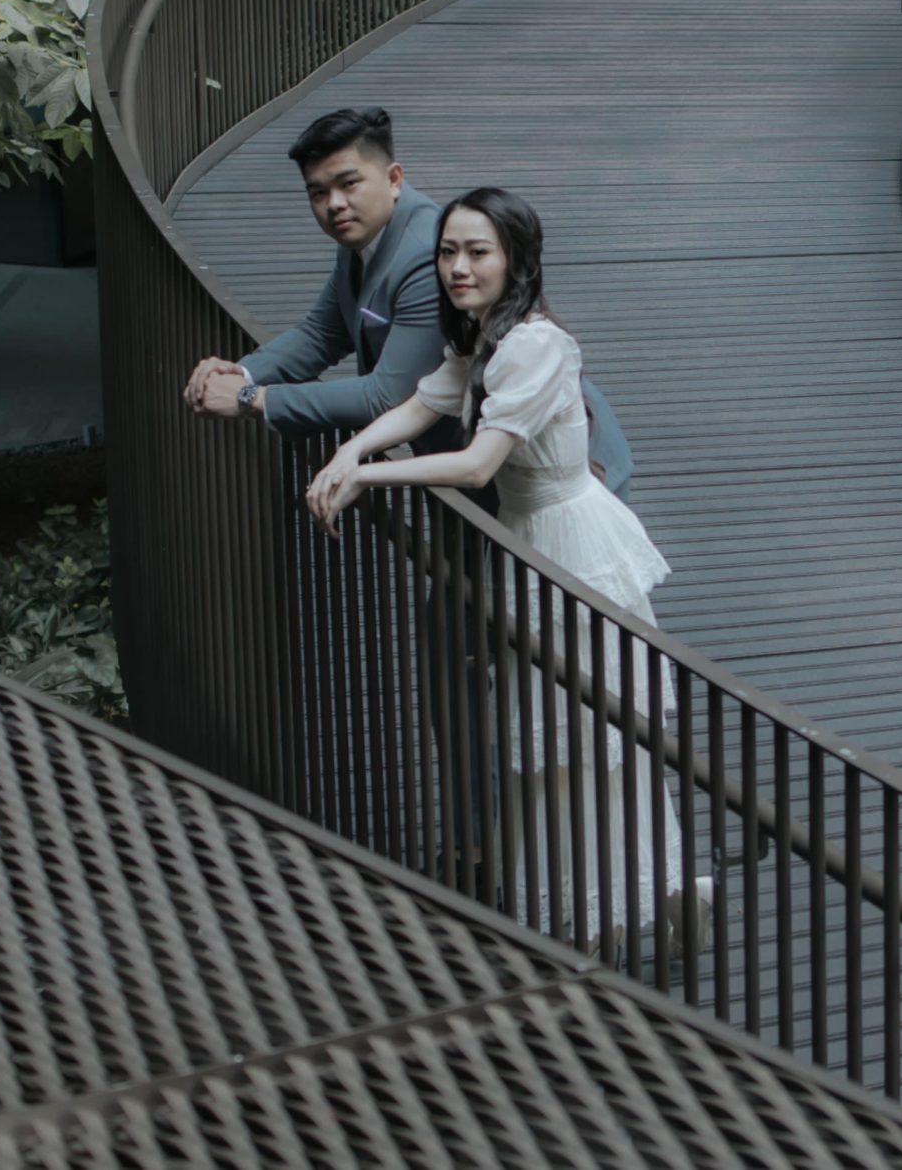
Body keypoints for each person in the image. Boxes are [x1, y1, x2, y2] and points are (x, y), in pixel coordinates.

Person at [304, 187, 710, 956]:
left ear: (515, 259)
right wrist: (351, 449)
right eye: (447, 252)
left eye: (477, 252)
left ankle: (625, 913)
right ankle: (651, 901)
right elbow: (425, 404)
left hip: (572, 548)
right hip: (533, 542)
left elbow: (476, 464)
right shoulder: (488, 337)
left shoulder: (534, 344)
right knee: (562, 746)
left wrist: (366, 476)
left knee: (589, 741)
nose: (458, 267)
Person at [182, 106, 634, 496]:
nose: (334, 204)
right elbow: (323, 332)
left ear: (393, 178)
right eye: (318, 193)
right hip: (479, 462)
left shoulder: (424, 254)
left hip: (556, 468)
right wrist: (240, 372)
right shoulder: (364, 235)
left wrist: (252, 398)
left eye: (348, 184)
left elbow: (384, 395)